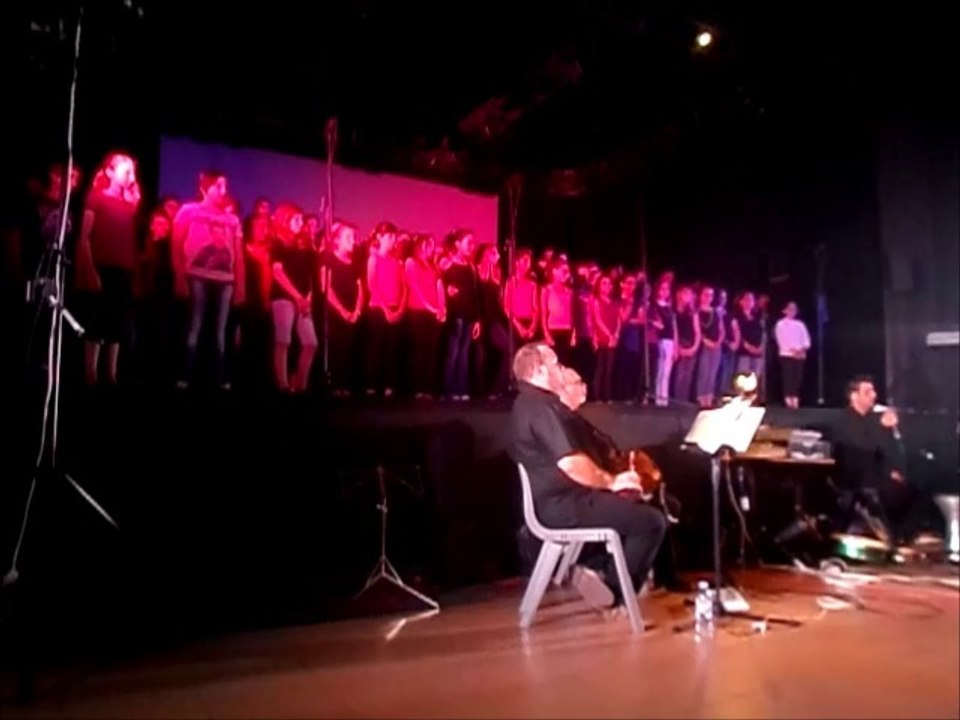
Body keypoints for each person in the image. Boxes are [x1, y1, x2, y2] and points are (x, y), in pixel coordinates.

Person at [509, 342, 667, 611]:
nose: (560, 369)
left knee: (637, 507)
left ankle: (603, 572)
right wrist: (612, 481)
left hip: (561, 501)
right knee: (650, 521)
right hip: (564, 506)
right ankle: (614, 591)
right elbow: (571, 464)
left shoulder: (530, 404)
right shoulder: (539, 406)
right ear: (538, 370)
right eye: (556, 364)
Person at [555, 367, 688, 592]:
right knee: (652, 510)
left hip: (604, 481)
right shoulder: (563, 424)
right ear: (562, 390)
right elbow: (583, 465)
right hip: (587, 493)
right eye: (578, 383)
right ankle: (617, 584)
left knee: (661, 499)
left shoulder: (578, 420)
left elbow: (608, 452)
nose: (584, 387)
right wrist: (615, 480)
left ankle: (661, 575)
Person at [172, 170, 246, 390]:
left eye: (225, 186)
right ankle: (185, 375)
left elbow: (239, 255)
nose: (223, 191)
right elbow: (176, 244)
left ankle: (221, 377)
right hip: (196, 276)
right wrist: (179, 276)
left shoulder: (232, 219)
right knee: (194, 326)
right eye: (218, 186)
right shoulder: (188, 211)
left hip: (226, 280)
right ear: (205, 187)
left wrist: (240, 285)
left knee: (221, 330)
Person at [833, 376, 914, 545]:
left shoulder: (871, 419)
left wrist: (893, 469)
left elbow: (885, 451)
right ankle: (892, 539)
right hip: (856, 478)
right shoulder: (845, 420)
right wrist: (882, 428)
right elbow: (864, 450)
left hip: (876, 474)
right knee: (896, 492)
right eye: (867, 392)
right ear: (854, 396)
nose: (874, 395)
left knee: (916, 487)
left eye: (873, 391)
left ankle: (902, 538)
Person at [774, 301, 811, 409]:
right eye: (790, 309)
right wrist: (793, 351)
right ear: (784, 311)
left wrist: (801, 350)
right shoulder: (780, 324)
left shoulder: (800, 324)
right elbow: (781, 340)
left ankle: (795, 398)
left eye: (794, 309)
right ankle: (788, 398)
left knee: (797, 378)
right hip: (787, 354)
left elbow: (806, 340)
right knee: (788, 377)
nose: (792, 311)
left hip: (800, 355)